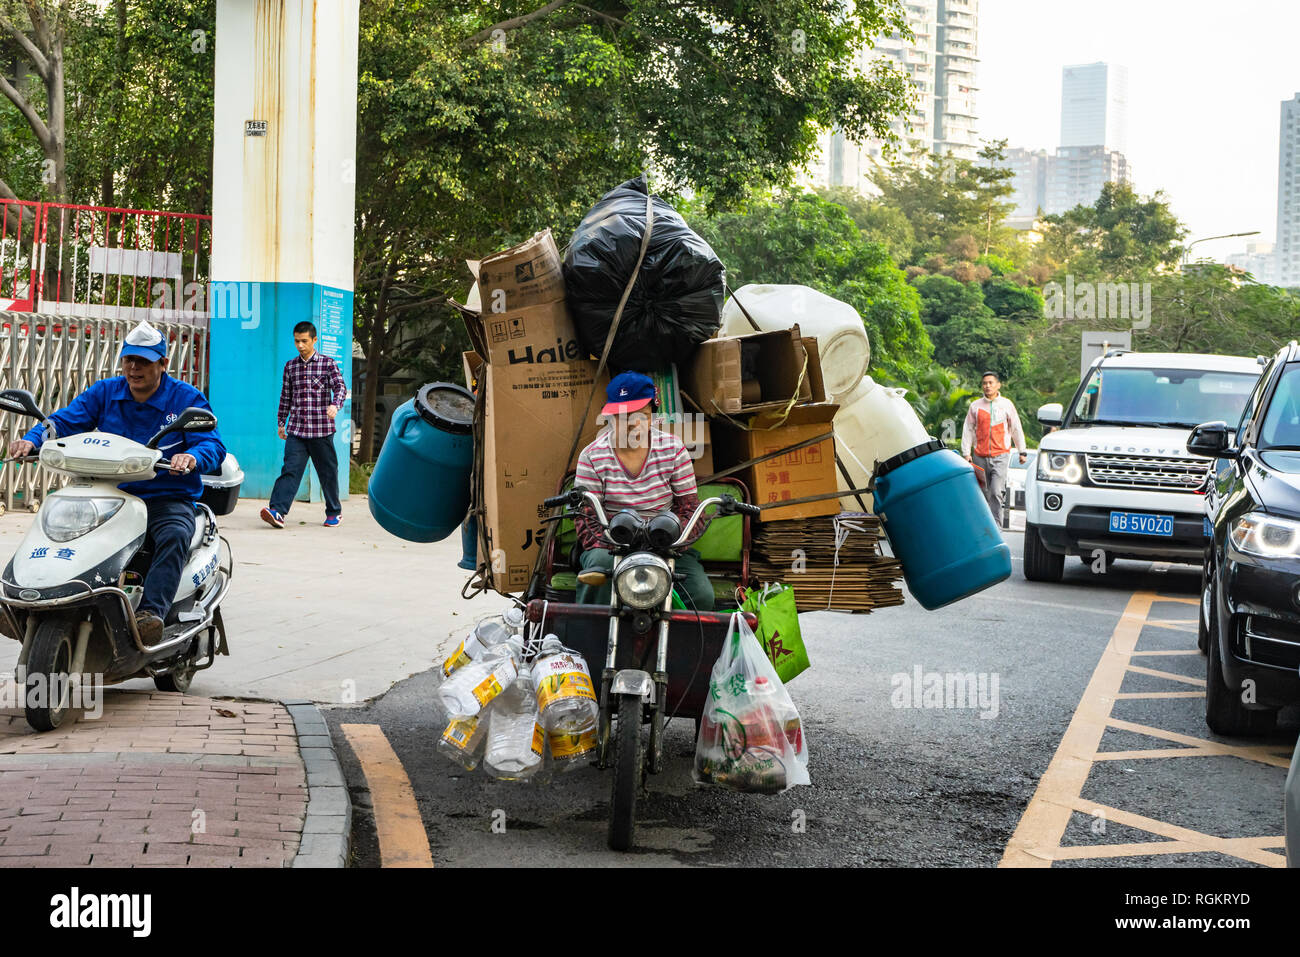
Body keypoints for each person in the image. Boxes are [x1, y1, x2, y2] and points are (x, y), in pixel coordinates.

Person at [6, 321, 226, 645]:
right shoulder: (106, 392)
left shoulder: (184, 398)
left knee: (175, 533)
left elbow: (212, 445)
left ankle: (150, 614)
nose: (134, 368)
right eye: (129, 360)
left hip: (163, 496)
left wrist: (192, 458)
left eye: (144, 362)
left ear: (163, 364)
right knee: (58, 525)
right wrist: (33, 439)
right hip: (109, 493)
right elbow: (63, 421)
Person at [572, 371, 714, 610]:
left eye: (642, 415)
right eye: (623, 415)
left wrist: (671, 541)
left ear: (653, 417)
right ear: (611, 417)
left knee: (701, 594)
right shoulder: (592, 456)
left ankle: (680, 646)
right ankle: (592, 641)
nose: (632, 423)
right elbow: (586, 518)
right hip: (611, 544)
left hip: (665, 542)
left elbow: (690, 508)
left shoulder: (673, 449)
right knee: (598, 575)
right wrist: (613, 543)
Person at [262, 321, 348, 529]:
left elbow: (340, 388)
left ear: (314, 340)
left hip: (321, 431)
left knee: (327, 473)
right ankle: (277, 511)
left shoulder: (327, 364)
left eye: (304, 341)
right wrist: (282, 422)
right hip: (297, 431)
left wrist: (335, 406)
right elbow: (286, 397)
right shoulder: (290, 366)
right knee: (290, 470)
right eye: (297, 341)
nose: (300, 345)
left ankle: (334, 512)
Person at [962, 371, 1028, 519]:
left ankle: (996, 528)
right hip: (979, 456)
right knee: (983, 493)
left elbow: (1016, 428)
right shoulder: (975, 406)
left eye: (991, 383)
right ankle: (985, 526)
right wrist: (966, 453)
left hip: (1001, 455)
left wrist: (1022, 451)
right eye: (985, 383)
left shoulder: (1006, 405)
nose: (987, 386)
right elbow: (968, 429)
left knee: (996, 491)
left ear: (998, 385)